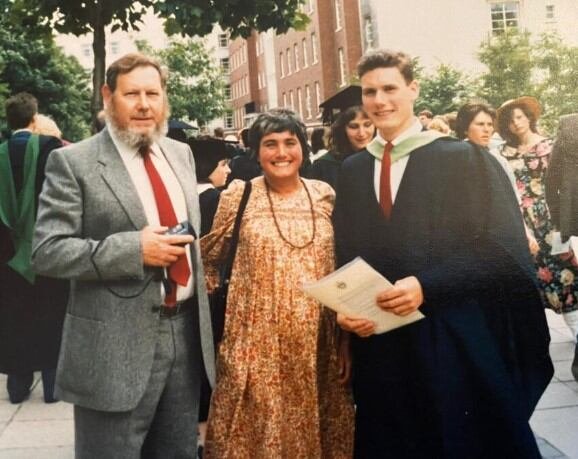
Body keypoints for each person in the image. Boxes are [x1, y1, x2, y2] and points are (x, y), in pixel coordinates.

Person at [333, 50, 553, 458]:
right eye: (370, 92)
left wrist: (426, 286)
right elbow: (347, 252)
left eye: (389, 89)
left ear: (413, 89)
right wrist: (345, 313)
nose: (379, 101)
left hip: (452, 336)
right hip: (383, 346)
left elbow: (498, 249)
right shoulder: (353, 170)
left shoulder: (462, 159)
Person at [31, 53, 215, 459]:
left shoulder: (180, 155)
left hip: (184, 337)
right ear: (108, 96)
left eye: (153, 93)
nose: (144, 104)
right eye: (132, 94)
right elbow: (46, 251)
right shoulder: (73, 162)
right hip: (112, 348)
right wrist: (133, 249)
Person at [202, 109, 354, 458]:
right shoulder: (237, 196)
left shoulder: (324, 195)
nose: (281, 152)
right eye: (270, 144)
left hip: (317, 346)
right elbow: (209, 262)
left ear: (303, 148)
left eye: (290, 142)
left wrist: (344, 339)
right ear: (256, 152)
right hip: (256, 348)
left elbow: (341, 267)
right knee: (251, 438)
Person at [497, 101, 578, 382]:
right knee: (530, 281)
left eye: (520, 117)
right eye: (510, 120)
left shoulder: (548, 146)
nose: (516, 123)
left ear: (529, 118)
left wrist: (562, 222)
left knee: (566, 276)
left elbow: (560, 184)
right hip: (519, 220)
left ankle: (576, 330)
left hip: (548, 217)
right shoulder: (503, 153)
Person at [0, 92, 67, 404]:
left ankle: (17, 386)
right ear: (34, 117)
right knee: (51, 312)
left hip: (6, 254)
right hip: (47, 244)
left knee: (15, 315)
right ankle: (52, 386)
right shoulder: (51, 149)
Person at [308, 105, 375, 189]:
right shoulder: (324, 167)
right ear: (343, 129)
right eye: (354, 126)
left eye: (367, 125)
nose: (361, 133)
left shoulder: (383, 160)